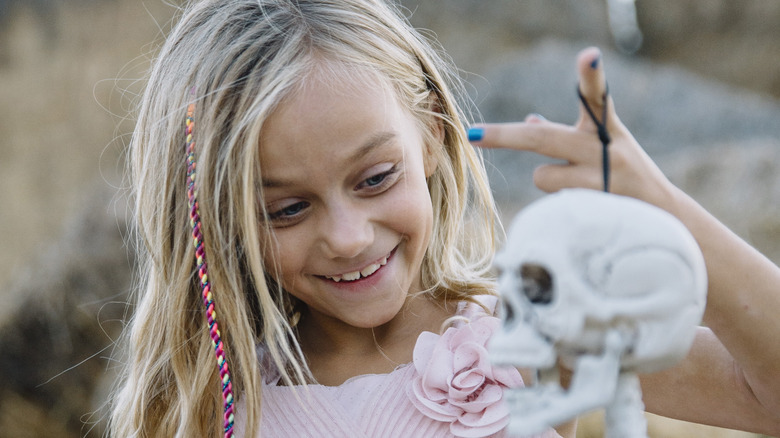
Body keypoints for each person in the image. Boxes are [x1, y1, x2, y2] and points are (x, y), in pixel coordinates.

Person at [107, 1, 780, 437]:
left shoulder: (528, 338)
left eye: (376, 179)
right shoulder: (218, 412)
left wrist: (664, 208)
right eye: (286, 209)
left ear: (431, 133)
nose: (348, 236)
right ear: (216, 219)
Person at [470, 47, 780, 435]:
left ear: (432, 143)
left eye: (380, 177)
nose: (365, 237)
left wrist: (659, 202)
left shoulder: (508, 329)